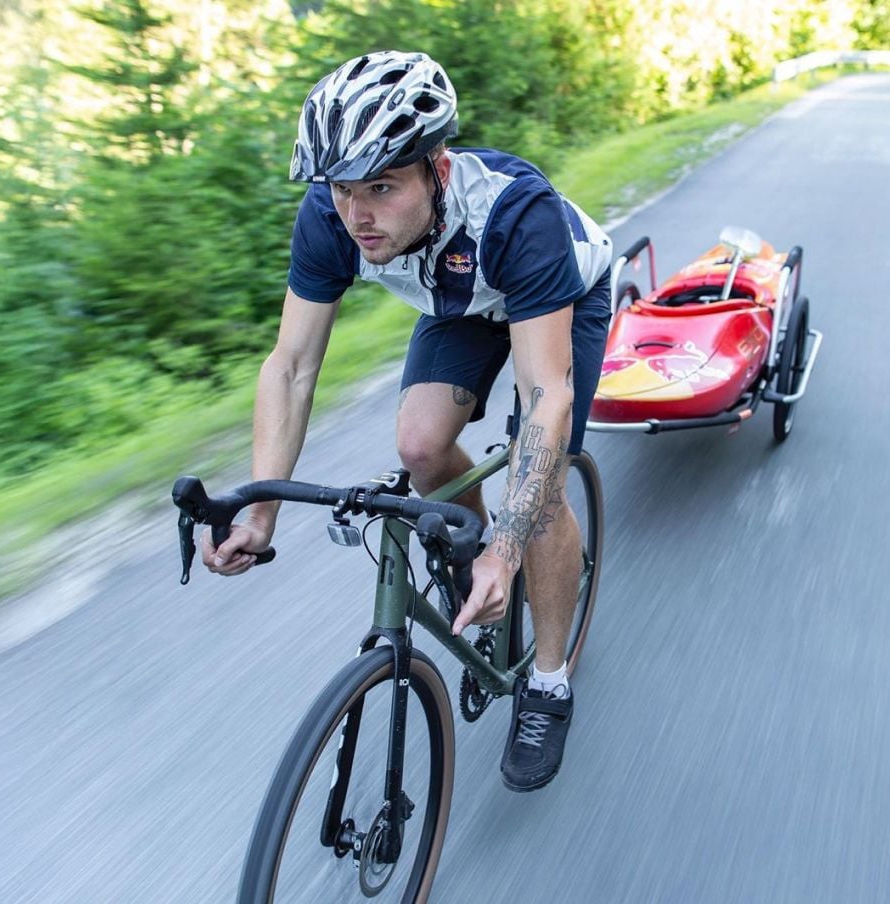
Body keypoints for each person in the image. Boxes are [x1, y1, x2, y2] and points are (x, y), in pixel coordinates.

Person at [203, 50, 612, 793]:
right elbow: (291, 366)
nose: (358, 215)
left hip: (555, 299)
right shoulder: (333, 217)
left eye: (383, 188)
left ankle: (548, 684)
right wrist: (260, 511)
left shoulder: (518, 215)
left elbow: (546, 393)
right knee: (420, 445)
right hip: (460, 305)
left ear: (440, 171)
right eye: (343, 190)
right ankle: (470, 557)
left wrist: (512, 543)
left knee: (539, 485)